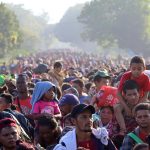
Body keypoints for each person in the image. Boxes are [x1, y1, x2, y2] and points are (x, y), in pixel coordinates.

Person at [116, 56, 150, 135]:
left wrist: (136, 106)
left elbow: (145, 96)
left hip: (140, 100)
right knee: (117, 108)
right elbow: (118, 93)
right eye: (134, 69)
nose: (136, 71)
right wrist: (126, 107)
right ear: (130, 68)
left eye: (139, 69)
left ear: (144, 68)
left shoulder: (146, 78)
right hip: (126, 100)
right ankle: (123, 129)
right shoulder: (125, 76)